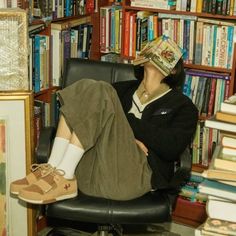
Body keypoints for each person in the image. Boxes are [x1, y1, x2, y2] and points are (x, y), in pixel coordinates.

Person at [10, 36, 198, 204]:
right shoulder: (120, 90)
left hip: (133, 178)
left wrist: (127, 128)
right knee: (86, 88)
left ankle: (63, 175)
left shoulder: (183, 106)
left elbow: (172, 148)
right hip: (90, 170)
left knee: (100, 91)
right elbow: (92, 116)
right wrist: (126, 137)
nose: (155, 51)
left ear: (174, 70)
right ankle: (54, 169)